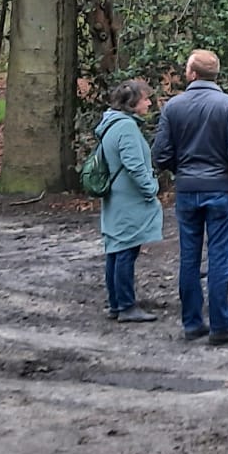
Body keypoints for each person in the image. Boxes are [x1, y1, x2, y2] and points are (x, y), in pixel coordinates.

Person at [152, 49, 228, 344]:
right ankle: (222, 324)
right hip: (219, 189)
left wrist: (181, 170)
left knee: (189, 257)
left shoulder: (174, 106)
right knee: (220, 256)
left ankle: (192, 322)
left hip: (187, 189)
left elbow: (160, 154)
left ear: (192, 74)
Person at [95, 78, 160, 324]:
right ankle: (125, 305)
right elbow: (134, 165)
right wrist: (151, 188)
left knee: (116, 249)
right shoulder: (127, 128)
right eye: (145, 98)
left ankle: (116, 303)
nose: (149, 102)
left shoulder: (111, 124)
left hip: (116, 197)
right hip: (128, 199)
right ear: (132, 103)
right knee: (125, 251)